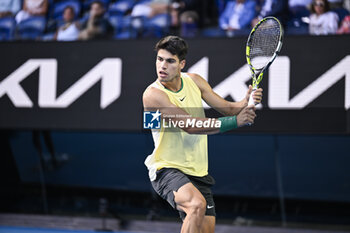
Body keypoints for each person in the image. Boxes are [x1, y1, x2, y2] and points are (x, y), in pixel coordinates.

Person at [142, 36, 262, 233]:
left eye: (170, 61)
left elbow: (229, 109)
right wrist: (235, 122)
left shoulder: (195, 81)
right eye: (159, 59)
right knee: (195, 205)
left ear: (181, 64)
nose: (162, 66)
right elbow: (189, 125)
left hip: (198, 171)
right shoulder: (153, 94)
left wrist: (246, 101)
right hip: (167, 168)